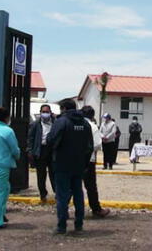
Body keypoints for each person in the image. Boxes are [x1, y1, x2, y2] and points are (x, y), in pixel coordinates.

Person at [47, 99, 93, 234]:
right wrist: (84, 163)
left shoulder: (62, 122)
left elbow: (51, 140)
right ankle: (79, 224)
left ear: (64, 109)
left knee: (62, 196)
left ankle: (62, 226)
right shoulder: (85, 123)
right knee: (78, 194)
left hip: (62, 164)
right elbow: (89, 147)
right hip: (78, 164)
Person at [81, 105, 111, 218]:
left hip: (74, 159)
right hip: (89, 159)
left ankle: (63, 209)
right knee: (91, 186)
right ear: (92, 116)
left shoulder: (75, 124)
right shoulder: (93, 127)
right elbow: (98, 144)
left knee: (72, 185)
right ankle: (96, 209)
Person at [27, 104, 56, 202]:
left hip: (51, 151)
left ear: (50, 113)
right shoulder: (35, 124)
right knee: (41, 175)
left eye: (47, 112)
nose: (45, 114)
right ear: (40, 113)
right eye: (43, 112)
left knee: (54, 173)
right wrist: (30, 151)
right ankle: (43, 194)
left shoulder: (55, 123)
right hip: (40, 151)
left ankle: (57, 192)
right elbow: (30, 138)